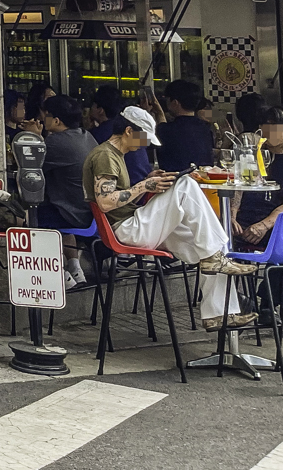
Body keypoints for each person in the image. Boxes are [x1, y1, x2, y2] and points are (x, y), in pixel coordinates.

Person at [83, 105, 255, 331]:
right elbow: (105, 202)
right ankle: (214, 259)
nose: (144, 145)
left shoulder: (115, 155)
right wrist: (144, 185)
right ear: (128, 131)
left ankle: (220, 314)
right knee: (186, 184)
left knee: (209, 247)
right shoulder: (106, 156)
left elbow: (119, 198)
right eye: (143, 138)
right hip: (125, 229)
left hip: (130, 224)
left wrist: (146, 182)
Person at [39, 94, 96, 287]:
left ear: (56, 120)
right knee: (55, 207)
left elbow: (30, 167)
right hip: (90, 212)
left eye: (45, 115)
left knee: (28, 217)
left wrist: (34, 137)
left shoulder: (55, 143)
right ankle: (76, 269)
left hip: (71, 213)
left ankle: (60, 273)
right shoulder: (86, 136)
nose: (41, 119)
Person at [235, 107, 283, 251]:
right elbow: (238, 183)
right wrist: (231, 215)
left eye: (275, 125)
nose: (268, 131)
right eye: (264, 125)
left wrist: (264, 225)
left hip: (275, 223)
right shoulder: (254, 154)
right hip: (245, 220)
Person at [90, 86, 151, 183]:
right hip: (144, 182)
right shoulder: (134, 128)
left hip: (124, 187)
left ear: (100, 110)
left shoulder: (97, 134)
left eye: (92, 105)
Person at [155, 80, 214, 170]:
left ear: (175, 103)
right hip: (203, 176)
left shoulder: (167, 130)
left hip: (175, 178)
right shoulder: (206, 129)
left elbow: (159, 131)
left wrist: (155, 113)